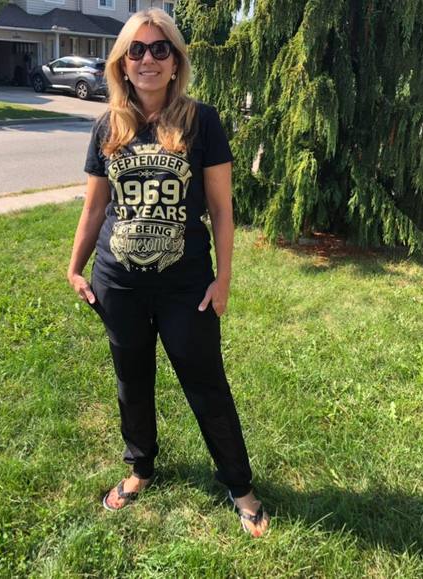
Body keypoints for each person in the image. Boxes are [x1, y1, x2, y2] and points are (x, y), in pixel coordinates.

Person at [66, 7, 269, 538]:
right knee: (132, 380)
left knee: (206, 383)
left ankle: (240, 486)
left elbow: (221, 209)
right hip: (119, 282)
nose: (148, 59)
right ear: (122, 63)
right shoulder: (108, 126)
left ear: (176, 61)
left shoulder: (203, 121)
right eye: (136, 50)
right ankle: (140, 467)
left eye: (160, 49)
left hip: (186, 286)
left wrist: (224, 279)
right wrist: (75, 267)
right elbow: (94, 207)